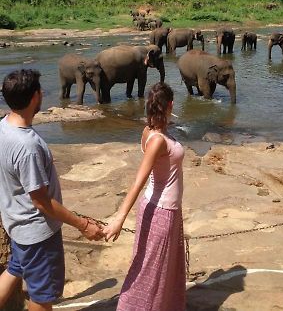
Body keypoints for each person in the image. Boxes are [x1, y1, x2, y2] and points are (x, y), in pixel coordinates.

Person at [0, 69, 104, 311]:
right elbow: (41, 201)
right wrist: (82, 224)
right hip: (37, 233)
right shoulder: (27, 146)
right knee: (42, 296)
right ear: (35, 97)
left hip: (16, 223)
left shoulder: (3, 126)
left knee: (15, 269)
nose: (43, 93)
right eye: (40, 90)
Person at [104, 82, 186, 311]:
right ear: (170, 105)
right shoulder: (158, 140)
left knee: (163, 268)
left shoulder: (149, 132)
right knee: (151, 270)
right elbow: (139, 180)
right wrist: (119, 218)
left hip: (165, 209)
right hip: (162, 211)